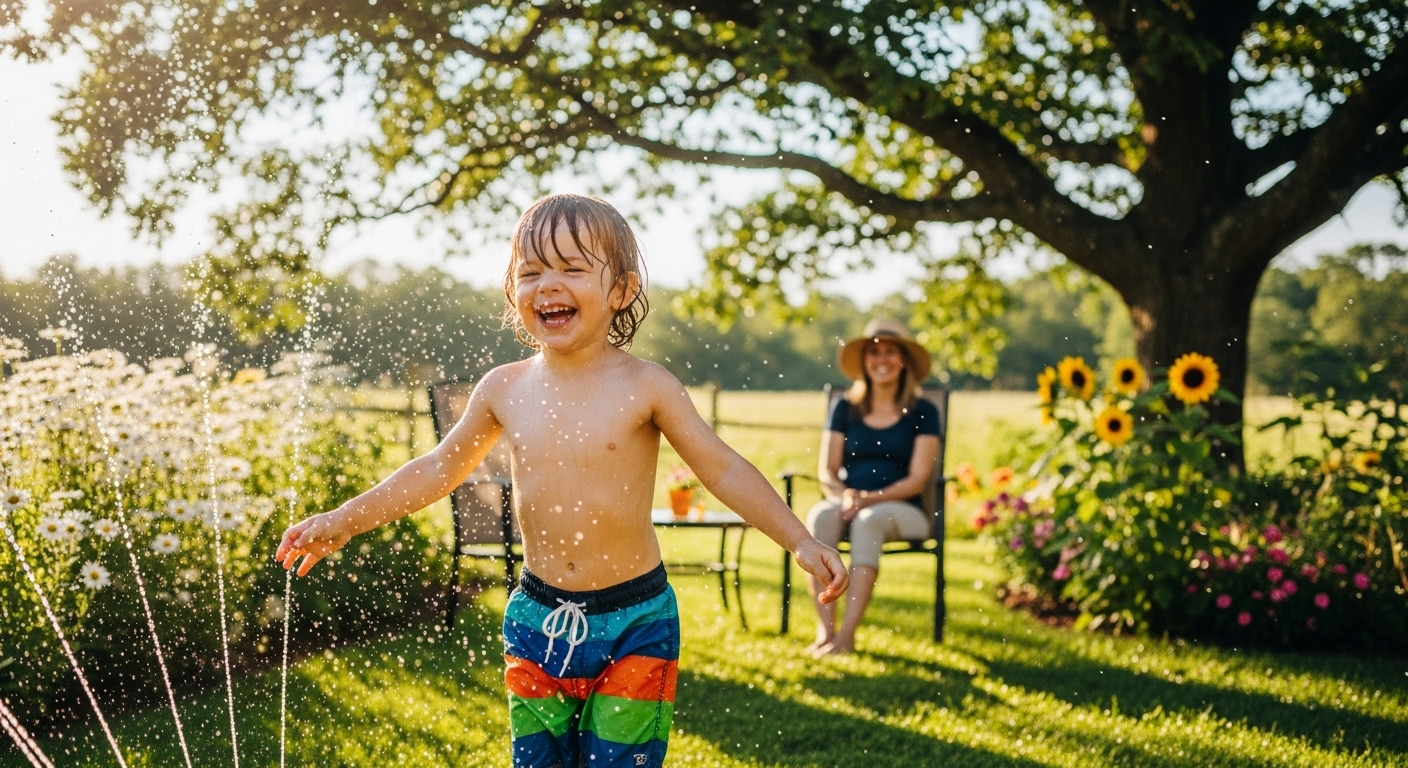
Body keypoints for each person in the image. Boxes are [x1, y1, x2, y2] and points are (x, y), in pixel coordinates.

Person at [275, 193, 848, 768]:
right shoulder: (504, 388)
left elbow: (721, 466)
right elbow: (437, 468)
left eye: (572, 269)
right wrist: (343, 519)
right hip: (535, 616)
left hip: (635, 620)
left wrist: (800, 538)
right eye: (531, 272)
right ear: (512, 292)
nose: (548, 284)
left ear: (620, 291)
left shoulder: (646, 386)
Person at [804, 318, 940, 657]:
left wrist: (867, 500)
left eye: (891, 352)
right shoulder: (844, 408)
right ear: (864, 360)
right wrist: (844, 496)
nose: (882, 359)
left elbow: (918, 479)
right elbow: (828, 469)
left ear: (904, 360)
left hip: (904, 508)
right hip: (849, 500)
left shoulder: (924, 411)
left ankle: (846, 638)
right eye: (874, 352)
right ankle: (825, 633)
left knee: (869, 522)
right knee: (820, 517)